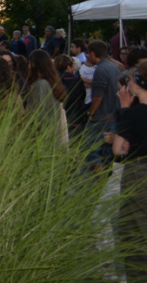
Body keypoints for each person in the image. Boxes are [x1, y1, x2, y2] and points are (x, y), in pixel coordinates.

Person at [112, 59, 147, 281]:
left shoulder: (133, 114)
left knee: (135, 233)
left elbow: (117, 150)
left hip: (139, 173)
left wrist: (125, 108)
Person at [86, 40, 122, 172]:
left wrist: (91, 113)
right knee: (107, 152)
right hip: (113, 115)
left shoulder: (100, 70)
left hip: (101, 117)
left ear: (93, 53)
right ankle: (107, 180)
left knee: (89, 150)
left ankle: (101, 180)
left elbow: (98, 97)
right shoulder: (114, 67)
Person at [24, 50, 67, 142]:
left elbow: (38, 114)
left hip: (42, 138)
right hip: (52, 135)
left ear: (34, 64)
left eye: (29, 62)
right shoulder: (50, 82)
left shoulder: (41, 84)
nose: (28, 66)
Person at [55, 54, 87, 135]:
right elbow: (82, 96)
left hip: (57, 119)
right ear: (69, 67)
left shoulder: (54, 80)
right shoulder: (77, 80)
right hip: (75, 117)